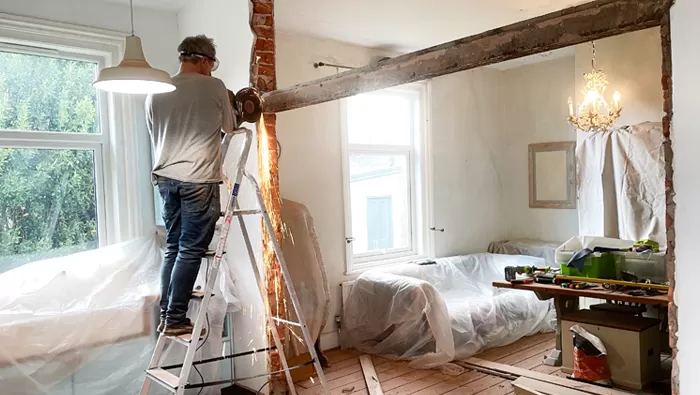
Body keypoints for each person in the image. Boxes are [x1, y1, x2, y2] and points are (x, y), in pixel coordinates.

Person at [146, 35, 234, 336]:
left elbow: (155, 133)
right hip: (199, 178)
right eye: (212, 64)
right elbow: (231, 129)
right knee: (190, 250)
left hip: (166, 180)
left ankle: (168, 312)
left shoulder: (157, 92)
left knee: (173, 247)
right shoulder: (214, 85)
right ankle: (175, 318)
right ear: (205, 61)